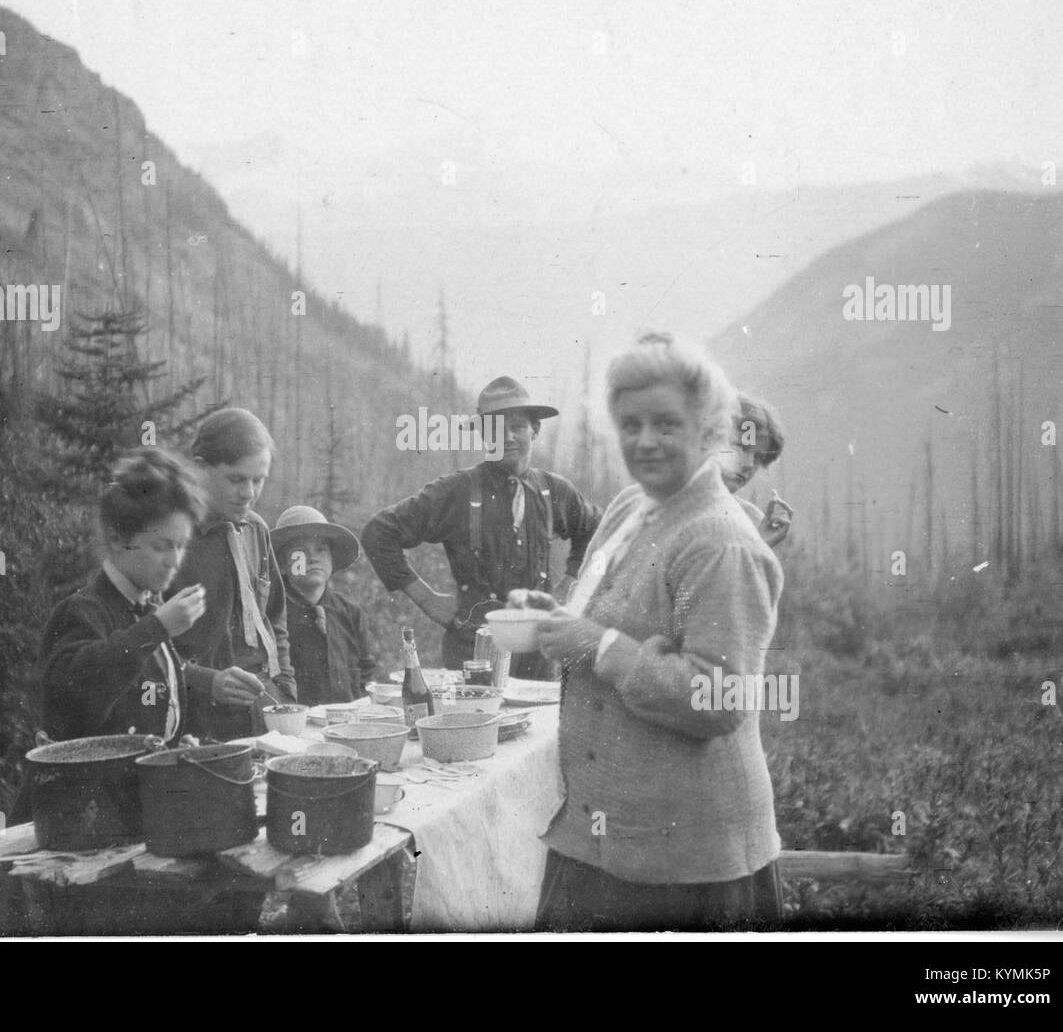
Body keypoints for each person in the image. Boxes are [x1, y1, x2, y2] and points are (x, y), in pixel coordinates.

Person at [526, 332, 785, 931]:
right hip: (598, 834)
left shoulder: (721, 542)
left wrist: (597, 646)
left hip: (687, 864)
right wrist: (559, 618)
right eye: (631, 423)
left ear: (711, 430)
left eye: (667, 424)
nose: (645, 441)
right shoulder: (627, 508)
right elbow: (603, 614)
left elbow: (720, 700)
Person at [361, 376, 601, 680]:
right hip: (472, 651)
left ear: (535, 430)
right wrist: (427, 599)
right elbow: (379, 532)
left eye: (517, 426)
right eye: (496, 429)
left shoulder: (554, 491)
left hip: (538, 653)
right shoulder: (457, 491)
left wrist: (570, 583)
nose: (508, 437)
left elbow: (599, 531)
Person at [40, 448, 210, 743]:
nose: (174, 561)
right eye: (161, 546)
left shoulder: (146, 608)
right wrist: (157, 628)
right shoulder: (81, 611)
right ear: (118, 540)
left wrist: (171, 743)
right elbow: (78, 701)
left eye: (181, 546)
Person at [167, 408, 295, 741]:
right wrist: (206, 681)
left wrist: (286, 690)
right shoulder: (168, 539)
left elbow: (275, 617)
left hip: (265, 713)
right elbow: (140, 643)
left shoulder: (256, 530)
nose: (249, 493)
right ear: (199, 468)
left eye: (259, 479)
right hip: (197, 722)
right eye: (236, 479)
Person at [271, 505, 378, 706]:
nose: (313, 558)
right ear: (283, 564)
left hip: (348, 721)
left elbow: (366, 671)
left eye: (321, 549)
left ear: (331, 558)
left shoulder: (350, 612)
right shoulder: (274, 612)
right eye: (300, 552)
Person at [719, 393, 793, 549]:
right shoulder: (662, 504)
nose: (748, 464)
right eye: (741, 448)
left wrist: (760, 547)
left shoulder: (753, 520)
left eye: (758, 457)